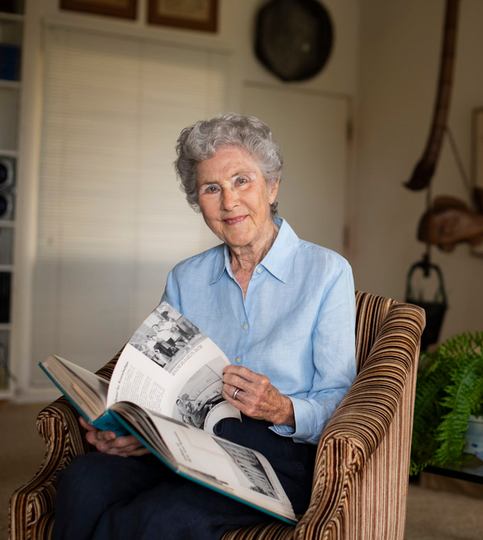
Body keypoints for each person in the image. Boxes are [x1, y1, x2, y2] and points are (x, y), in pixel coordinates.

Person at [52, 113, 357, 540]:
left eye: (242, 181)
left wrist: (281, 408)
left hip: (275, 458)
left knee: (162, 518)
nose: (229, 202)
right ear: (199, 202)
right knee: (83, 481)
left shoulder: (327, 272)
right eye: (211, 189)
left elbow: (341, 397)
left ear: (272, 186)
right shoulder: (185, 278)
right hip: (188, 447)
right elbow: (161, 380)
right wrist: (136, 434)